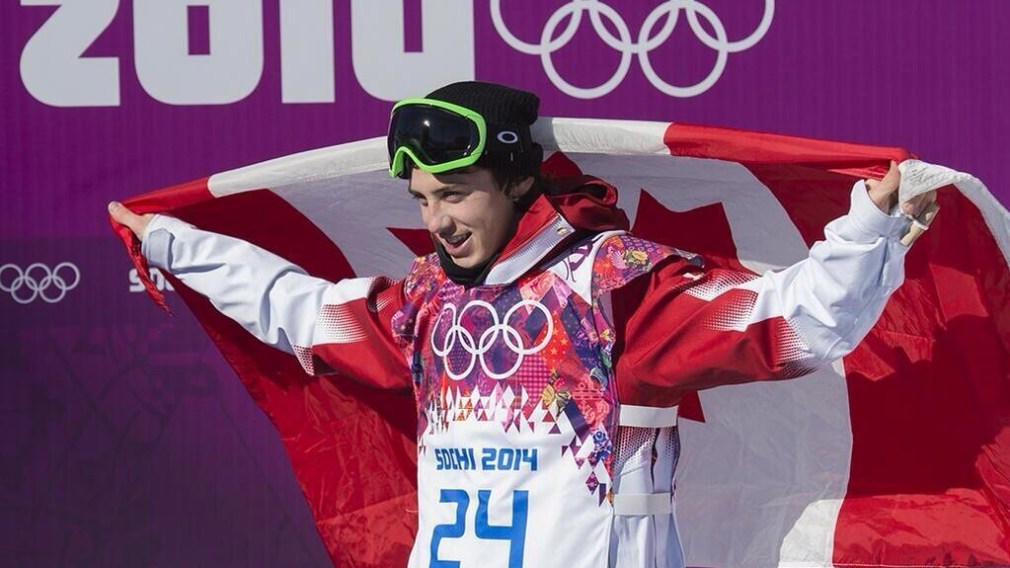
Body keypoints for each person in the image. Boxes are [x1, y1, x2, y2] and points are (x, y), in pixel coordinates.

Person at [109, 81, 936, 568]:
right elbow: (293, 305)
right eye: (422, 200)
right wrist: (172, 241)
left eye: (456, 193)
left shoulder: (611, 292)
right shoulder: (428, 307)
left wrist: (870, 225)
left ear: (513, 177)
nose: (438, 221)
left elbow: (792, 322)